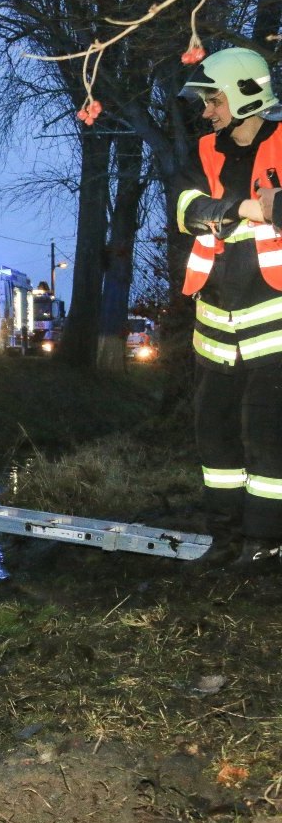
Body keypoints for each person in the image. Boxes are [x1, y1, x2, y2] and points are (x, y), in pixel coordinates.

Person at [177, 46, 282, 570]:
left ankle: (265, 546)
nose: (207, 110)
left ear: (246, 94)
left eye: (213, 99)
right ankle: (226, 542)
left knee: (267, 438)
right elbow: (187, 209)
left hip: (274, 323)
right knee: (214, 434)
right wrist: (244, 209)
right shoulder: (203, 151)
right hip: (215, 320)